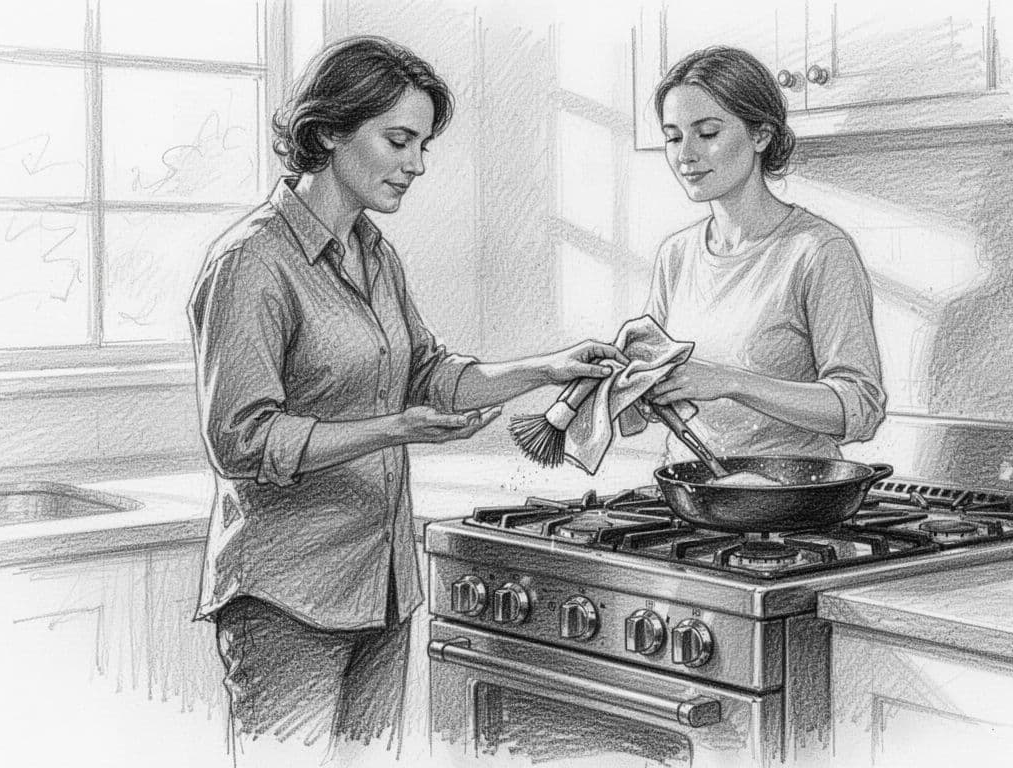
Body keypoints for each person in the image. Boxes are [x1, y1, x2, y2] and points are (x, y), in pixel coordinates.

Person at [187, 36, 625, 764]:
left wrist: (548, 368)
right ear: (328, 131)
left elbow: (428, 372)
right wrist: (395, 428)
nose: (417, 164)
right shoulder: (252, 262)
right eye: (399, 140)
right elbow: (242, 442)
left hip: (382, 592)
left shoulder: (373, 252)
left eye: (422, 143)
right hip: (286, 601)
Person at [643, 46, 886, 459]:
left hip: (794, 500)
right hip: (693, 495)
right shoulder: (677, 254)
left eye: (707, 133)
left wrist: (731, 382)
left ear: (761, 135)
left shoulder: (818, 250)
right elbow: (650, 407)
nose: (685, 155)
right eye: (673, 137)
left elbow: (859, 406)